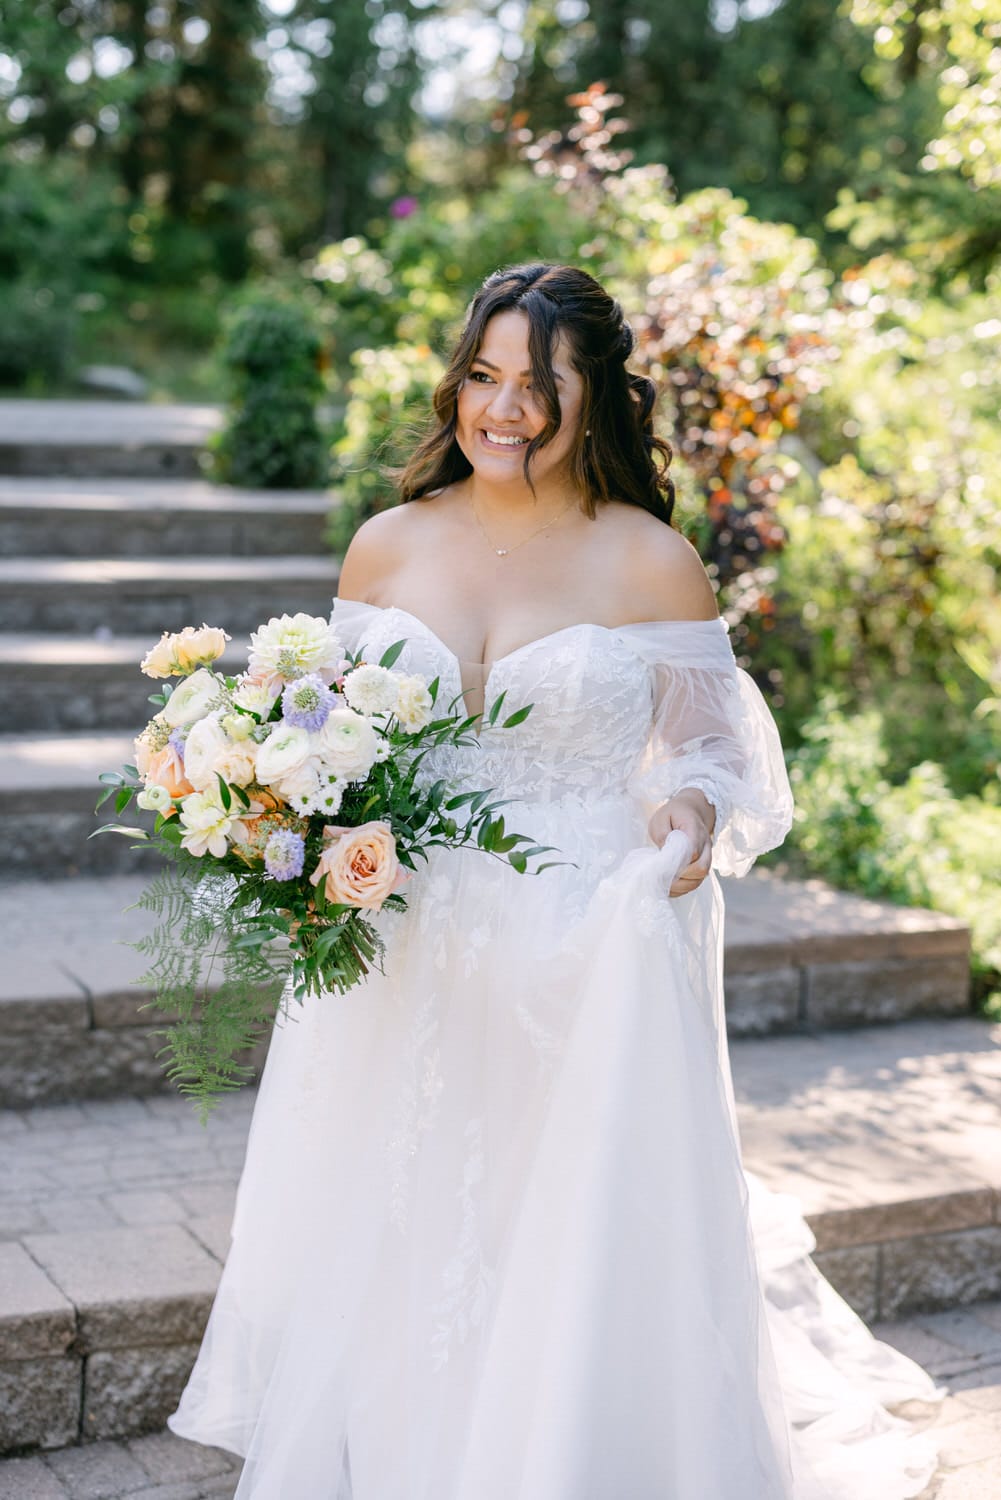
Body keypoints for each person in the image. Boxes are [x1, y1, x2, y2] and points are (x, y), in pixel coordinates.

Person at [168, 263, 942, 1498]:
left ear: (595, 399)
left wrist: (686, 815)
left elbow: (704, 755)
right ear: (456, 385)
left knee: (553, 1227)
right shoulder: (383, 547)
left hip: (578, 937)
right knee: (403, 1209)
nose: (504, 408)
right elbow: (319, 729)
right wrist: (266, 796)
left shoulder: (649, 563)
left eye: (540, 383)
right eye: (483, 376)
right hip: (398, 941)